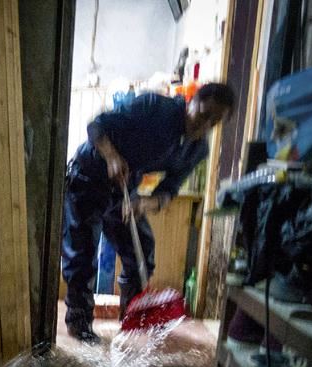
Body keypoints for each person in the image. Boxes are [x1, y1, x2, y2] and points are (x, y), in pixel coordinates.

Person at [62, 82, 234, 343]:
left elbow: (170, 188)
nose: (205, 125)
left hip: (124, 188)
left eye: (215, 122)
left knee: (140, 247)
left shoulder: (197, 149)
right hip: (89, 175)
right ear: (192, 102)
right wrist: (111, 156)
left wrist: (145, 204)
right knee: (82, 254)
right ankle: (79, 322)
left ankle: (133, 321)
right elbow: (96, 125)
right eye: (203, 114)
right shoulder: (155, 108)